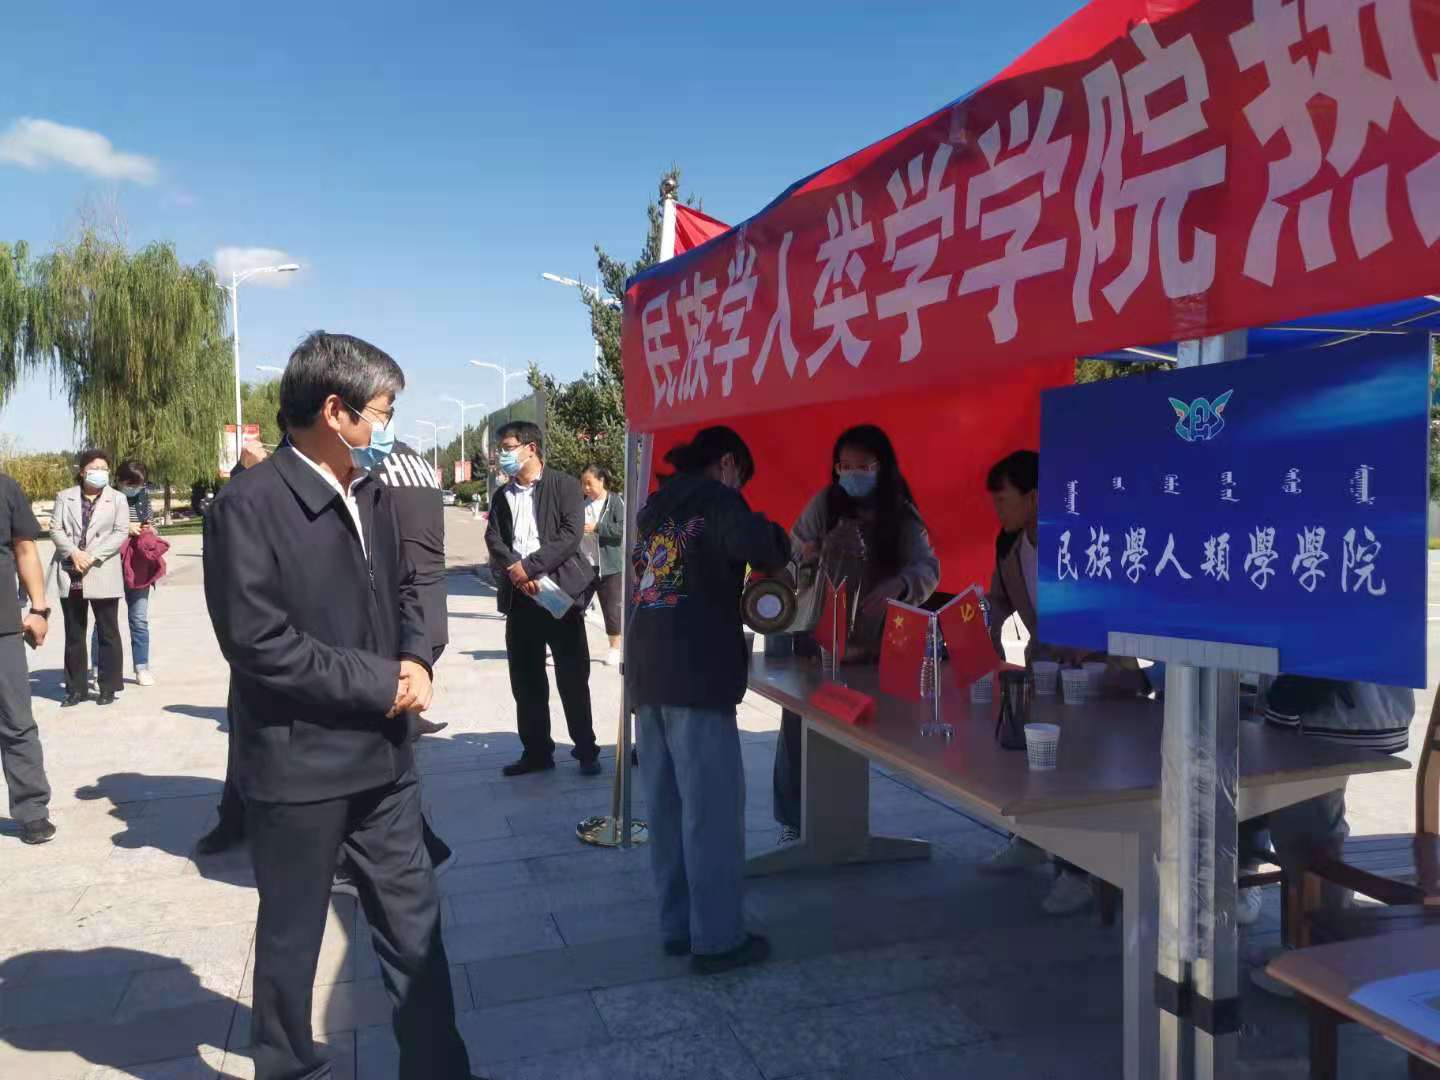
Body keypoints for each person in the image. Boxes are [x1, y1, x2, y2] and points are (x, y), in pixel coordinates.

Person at [202, 331, 475, 1080]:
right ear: (335, 409)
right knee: (291, 941)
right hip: (299, 766)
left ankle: (439, 1068)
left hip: (386, 762)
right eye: (381, 411)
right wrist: (379, 681)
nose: (386, 425)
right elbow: (259, 643)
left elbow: (407, 589)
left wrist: (416, 657)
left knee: (416, 929)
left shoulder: (371, 492)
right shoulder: (247, 506)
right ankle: (287, 1065)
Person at [628, 426, 792, 975]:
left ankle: (677, 927)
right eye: (741, 476)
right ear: (727, 463)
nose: (739, 486)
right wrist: (787, 542)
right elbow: (761, 545)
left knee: (667, 811)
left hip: (648, 673)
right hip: (697, 674)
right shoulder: (718, 500)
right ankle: (718, 939)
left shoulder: (656, 508)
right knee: (711, 814)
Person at [980, 450, 1144, 915]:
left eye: (1003, 499)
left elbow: (1120, 595)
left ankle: (1079, 872)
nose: (997, 509)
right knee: (1035, 762)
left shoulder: (1081, 536)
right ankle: (1031, 840)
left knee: (1081, 771)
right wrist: (984, 636)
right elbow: (998, 600)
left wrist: (1090, 642)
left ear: (1034, 497)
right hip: (1045, 670)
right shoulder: (1010, 547)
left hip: (1099, 672)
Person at [773, 424, 939, 844]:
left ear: (881, 468)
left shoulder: (900, 514)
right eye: (843, 466)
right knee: (799, 728)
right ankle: (795, 822)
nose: (851, 474)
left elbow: (928, 569)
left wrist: (901, 584)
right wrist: (806, 554)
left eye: (861, 467)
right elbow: (790, 552)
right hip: (817, 640)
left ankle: (842, 827)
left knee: (859, 729)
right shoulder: (824, 504)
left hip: (872, 646)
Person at [1249, 677, 1415, 996]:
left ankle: (1322, 959)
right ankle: (1308, 943)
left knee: (1306, 833)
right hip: (1344, 709)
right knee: (1309, 826)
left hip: (1328, 713)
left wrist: (1288, 701)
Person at [485, 421, 601, 777]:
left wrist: (531, 568)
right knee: (526, 679)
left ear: (531, 448)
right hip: (520, 597)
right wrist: (515, 570)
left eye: (508, 447)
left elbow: (569, 535)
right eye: (501, 449)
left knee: (572, 676)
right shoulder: (502, 495)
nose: (503, 455)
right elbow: (494, 538)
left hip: (558, 594)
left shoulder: (563, 485)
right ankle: (536, 752)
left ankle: (586, 750)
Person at [0, 467, 56, 844]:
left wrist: (38, 608)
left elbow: (25, 549)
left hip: (3, 626)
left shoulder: (5, 489)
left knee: (16, 720)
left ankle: (32, 809)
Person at [49, 449, 130, 707]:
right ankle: (76, 689)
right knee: (74, 631)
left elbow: (120, 532)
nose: (101, 473)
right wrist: (74, 553)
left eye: (105, 468)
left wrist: (92, 556)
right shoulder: (65, 497)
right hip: (70, 569)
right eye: (95, 468)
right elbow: (55, 528)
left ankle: (108, 686)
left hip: (101, 568)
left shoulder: (117, 498)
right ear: (83, 471)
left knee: (108, 631)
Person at [90, 460, 157, 688]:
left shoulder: (144, 498)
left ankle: (142, 667)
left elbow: (150, 524)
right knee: (103, 621)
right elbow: (95, 529)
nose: (134, 489)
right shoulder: (104, 498)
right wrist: (125, 528)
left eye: (139, 485)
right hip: (109, 565)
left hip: (137, 566)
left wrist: (149, 530)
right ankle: (98, 668)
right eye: (130, 484)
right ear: (119, 480)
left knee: (139, 619)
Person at [580, 464, 625, 667]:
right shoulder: (581, 503)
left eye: (589, 483)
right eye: (583, 484)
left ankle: (614, 649)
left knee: (611, 610)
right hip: (584, 564)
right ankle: (568, 649)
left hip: (609, 567)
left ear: (601, 480)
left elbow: (623, 528)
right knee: (573, 607)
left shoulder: (615, 501)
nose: (586, 488)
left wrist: (597, 527)